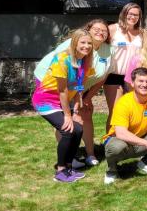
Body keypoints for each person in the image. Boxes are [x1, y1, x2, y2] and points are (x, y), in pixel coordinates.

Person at [33, 19, 112, 166]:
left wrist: (81, 99)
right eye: (96, 29)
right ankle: (65, 163)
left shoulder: (95, 56)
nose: (100, 32)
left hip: (72, 89)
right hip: (50, 89)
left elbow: (86, 81)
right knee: (67, 125)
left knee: (80, 123)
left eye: (104, 30)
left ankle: (79, 158)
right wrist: (68, 113)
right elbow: (61, 82)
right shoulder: (68, 53)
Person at [32, 29, 94, 182]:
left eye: (89, 43)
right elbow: (62, 90)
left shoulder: (84, 62)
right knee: (68, 130)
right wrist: (68, 114)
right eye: (83, 42)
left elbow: (79, 85)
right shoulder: (62, 59)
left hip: (61, 101)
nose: (86, 46)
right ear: (74, 43)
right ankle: (60, 171)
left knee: (78, 130)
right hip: (45, 100)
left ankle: (68, 166)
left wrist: (78, 101)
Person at [101, 67, 147, 185]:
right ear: (132, 83)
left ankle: (146, 162)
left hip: (142, 139)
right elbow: (121, 133)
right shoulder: (123, 102)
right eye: (140, 81)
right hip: (121, 140)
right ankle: (112, 170)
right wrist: (146, 143)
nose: (144, 85)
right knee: (115, 148)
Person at [105, 2, 145, 130]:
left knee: (132, 110)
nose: (133, 17)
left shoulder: (142, 33)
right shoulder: (113, 29)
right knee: (115, 111)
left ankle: (129, 140)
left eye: (136, 15)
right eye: (130, 14)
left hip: (133, 77)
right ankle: (109, 142)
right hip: (114, 76)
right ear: (124, 13)